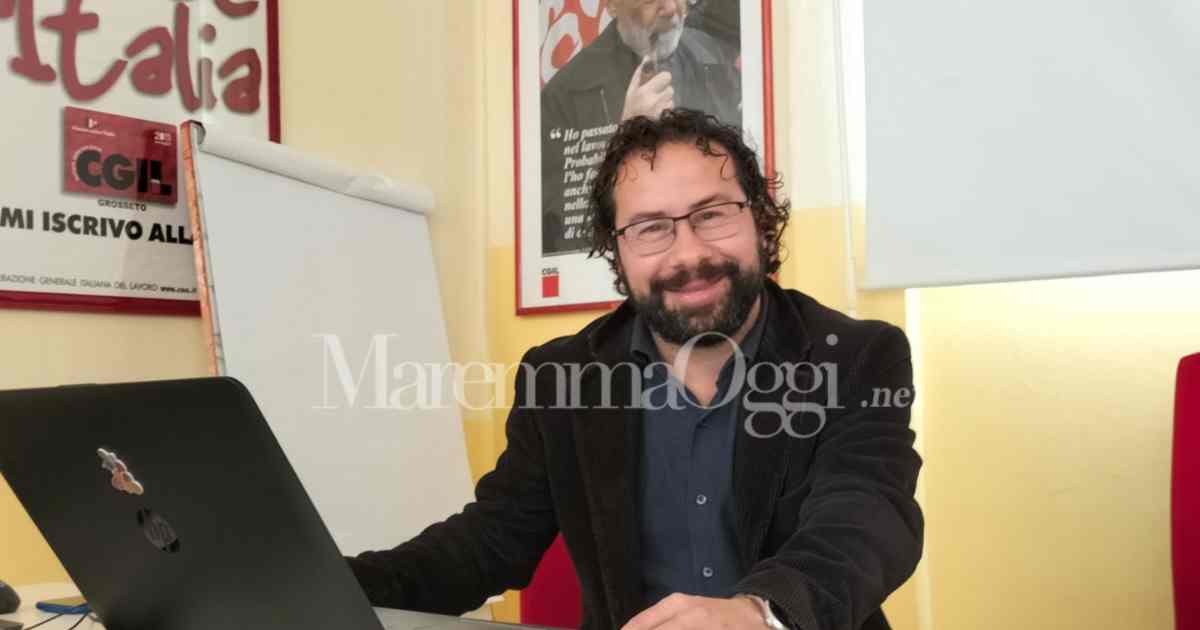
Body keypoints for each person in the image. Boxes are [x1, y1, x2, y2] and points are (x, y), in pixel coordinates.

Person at [348, 109, 923, 630]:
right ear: (616, 251)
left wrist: (763, 613)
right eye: (651, 228)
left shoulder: (856, 355)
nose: (688, 254)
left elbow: (867, 514)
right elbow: (492, 539)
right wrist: (334, 586)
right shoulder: (560, 377)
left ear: (761, 220)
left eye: (712, 215)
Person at [540, 0, 742, 256]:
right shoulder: (563, 96)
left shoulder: (713, 55)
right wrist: (625, 138)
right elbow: (561, 224)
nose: (671, 9)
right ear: (612, 6)